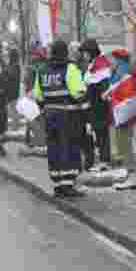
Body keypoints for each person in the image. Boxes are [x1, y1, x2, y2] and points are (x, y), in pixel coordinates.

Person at [33, 40, 88, 198]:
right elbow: (78, 93)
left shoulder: (42, 70)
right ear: (65, 52)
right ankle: (67, 184)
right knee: (69, 146)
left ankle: (57, 183)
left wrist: (45, 107)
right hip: (68, 116)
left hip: (50, 116)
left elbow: (37, 95)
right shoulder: (70, 68)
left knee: (54, 148)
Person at [108, 48, 136, 190]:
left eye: (113, 59)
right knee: (123, 143)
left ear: (118, 59)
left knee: (124, 144)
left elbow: (123, 93)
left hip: (123, 114)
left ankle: (133, 175)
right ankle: (131, 174)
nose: (111, 62)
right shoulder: (122, 70)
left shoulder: (122, 71)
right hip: (123, 113)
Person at [80, 39, 113, 170]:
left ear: (91, 52)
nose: (84, 55)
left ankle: (105, 160)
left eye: (85, 52)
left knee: (102, 133)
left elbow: (102, 86)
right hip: (94, 105)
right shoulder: (94, 64)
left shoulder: (100, 65)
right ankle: (103, 159)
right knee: (99, 133)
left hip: (99, 105)